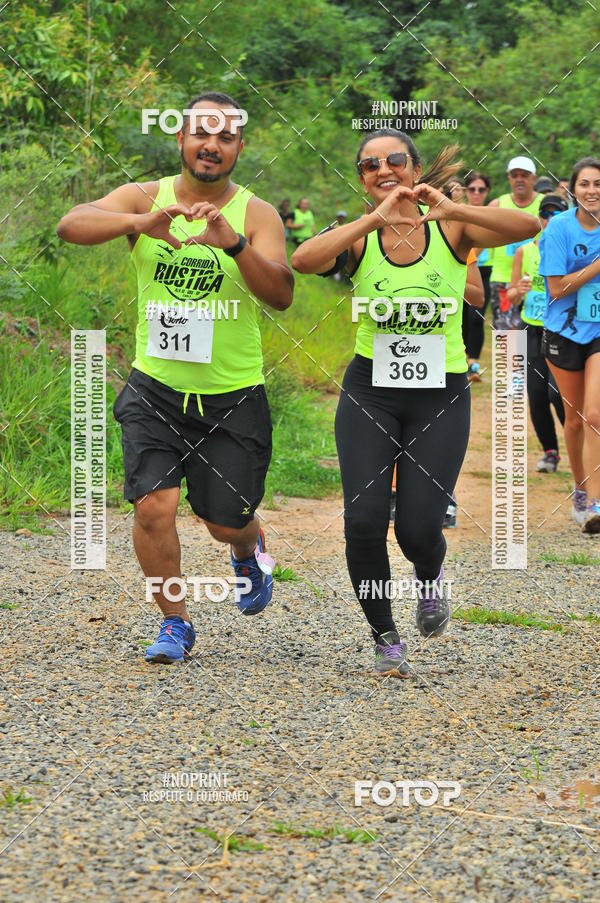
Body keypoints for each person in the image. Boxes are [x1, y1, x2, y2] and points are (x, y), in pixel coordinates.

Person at [291, 129, 538, 677]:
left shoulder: (453, 228)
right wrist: (373, 220)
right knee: (364, 518)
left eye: (395, 160)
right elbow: (304, 261)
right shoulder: (359, 234)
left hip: (439, 396)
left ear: (415, 167)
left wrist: (454, 205)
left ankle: (429, 575)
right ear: (361, 179)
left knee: (418, 529)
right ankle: (386, 638)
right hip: (370, 392)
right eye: (369, 165)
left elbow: (529, 225)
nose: (384, 169)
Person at [57, 91, 294, 662]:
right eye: (200, 133)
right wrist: (139, 222)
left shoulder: (256, 213)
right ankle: (175, 623)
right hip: (154, 388)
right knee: (153, 506)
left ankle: (247, 545)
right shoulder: (145, 196)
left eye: (225, 136)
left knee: (221, 521)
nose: (211, 145)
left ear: (239, 147)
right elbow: (71, 225)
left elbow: (282, 294)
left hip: (231, 395)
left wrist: (233, 245)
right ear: (182, 138)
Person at [539, 157, 600, 533]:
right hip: (563, 330)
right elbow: (557, 287)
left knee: (595, 416)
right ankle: (580, 489)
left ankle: (596, 502)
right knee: (574, 420)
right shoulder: (559, 228)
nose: (592, 191)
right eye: (585, 184)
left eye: (598, 184)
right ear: (572, 189)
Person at [508, 194, 567, 473]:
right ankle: (550, 452)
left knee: (558, 394)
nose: (550, 220)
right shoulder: (525, 252)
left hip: (562, 331)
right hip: (531, 330)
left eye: (557, 214)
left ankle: (582, 442)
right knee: (536, 393)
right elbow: (511, 295)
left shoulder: (571, 250)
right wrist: (517, 292)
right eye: (546, 214)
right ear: (539, 217)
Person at [488, 156, 542, 330]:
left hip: (537, 282)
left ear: (533, 177)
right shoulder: (497, 205)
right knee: (507, 342)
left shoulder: (546, 205)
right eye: (515, 175)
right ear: (509, 178)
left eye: (524, 175)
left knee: (536, 340)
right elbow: (477, 240)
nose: (519, 179)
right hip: (503, 279)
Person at [464, 171, 492, 381]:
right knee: (461, 317)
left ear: (487, 192)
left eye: (481, 189)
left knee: (476, 316)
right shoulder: (460, 213)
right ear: (466, 192)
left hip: (484, 269)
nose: (476, 193)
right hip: (461, 269)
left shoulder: (491, 214)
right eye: (472, 189)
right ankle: (463, 360)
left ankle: (473, 362)